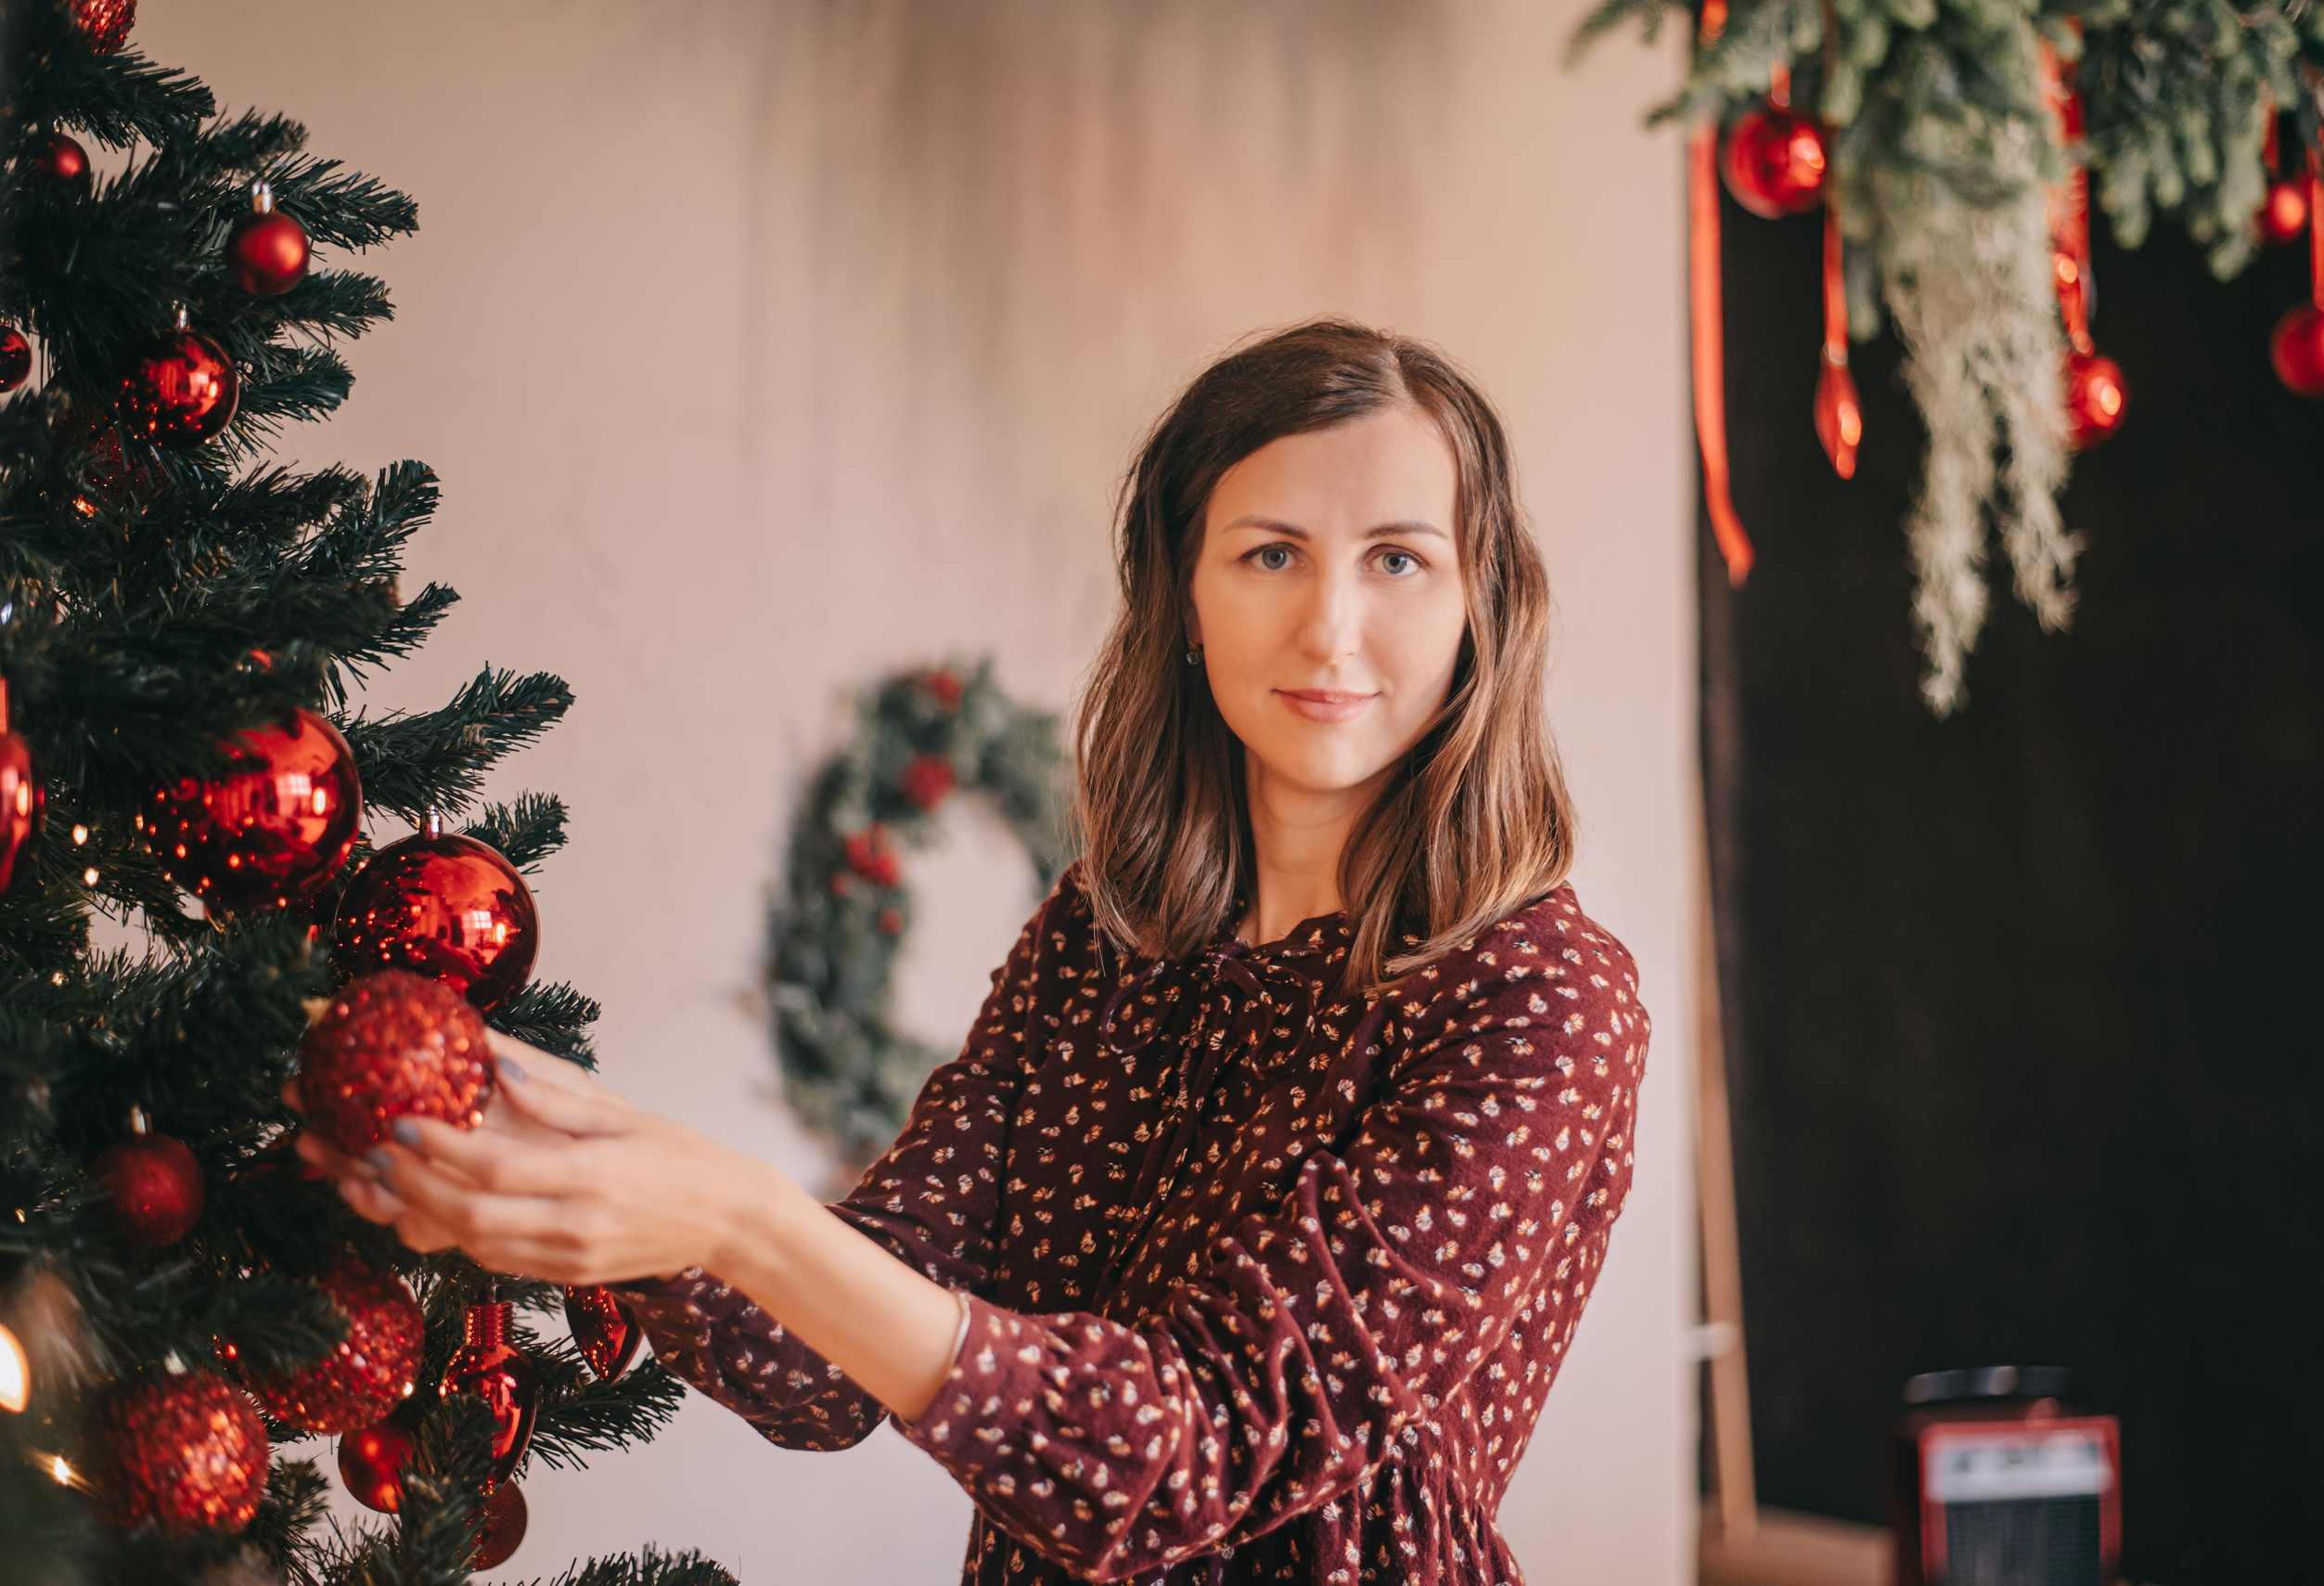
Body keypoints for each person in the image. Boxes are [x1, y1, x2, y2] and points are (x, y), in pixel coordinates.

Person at [298, 319, 1649, 1585]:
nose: (1332, 629)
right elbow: (821, 1365)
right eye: (1271, 552)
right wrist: (583, 1161)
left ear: (1483, 604)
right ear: (1183, 593)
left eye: (1400, 558)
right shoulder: (1103, 938)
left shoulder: (1541, 999)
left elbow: (1191, 1455)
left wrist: (736, 1211)